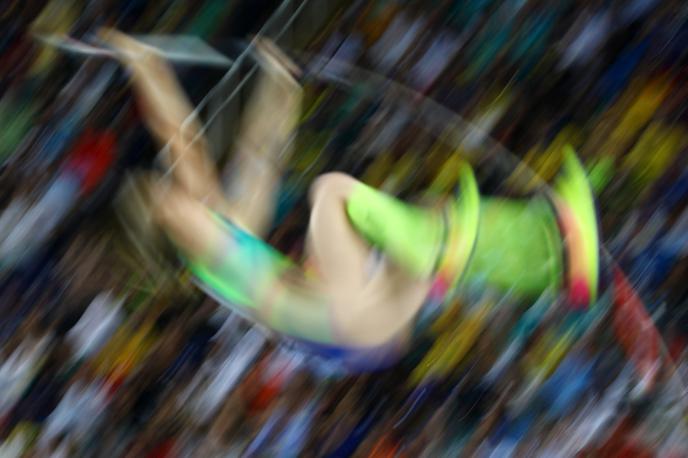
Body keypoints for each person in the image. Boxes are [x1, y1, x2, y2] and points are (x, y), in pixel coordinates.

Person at [103, 29, 600, 371]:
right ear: (154, 217)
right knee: (331, 196)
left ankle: (551, 259)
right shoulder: (190, 229)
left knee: (432, 212)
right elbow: (182, 140)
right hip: (348, 321)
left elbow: (261, 158)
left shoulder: (225, 244)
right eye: (155, 188)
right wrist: (142, 64)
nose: (165, 185)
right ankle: (493, 252)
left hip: (362, 333)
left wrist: (279, 84)